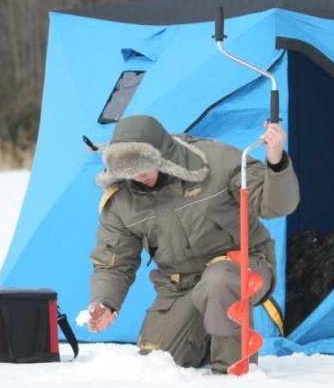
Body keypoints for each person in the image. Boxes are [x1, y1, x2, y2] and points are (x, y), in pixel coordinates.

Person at [86, 115, 299, 373]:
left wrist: (275, 161)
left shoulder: (217, 161)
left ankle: (232, 375)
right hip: (181, 285)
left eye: (144, 166)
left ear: (162, 155)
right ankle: (208, 337)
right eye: (128, 170)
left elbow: (276, 205)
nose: (138, 176)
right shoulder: (121, 200)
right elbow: (114, 261)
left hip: (242, 264)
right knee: (159, 365)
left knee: (219, 281)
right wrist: (105, 301)